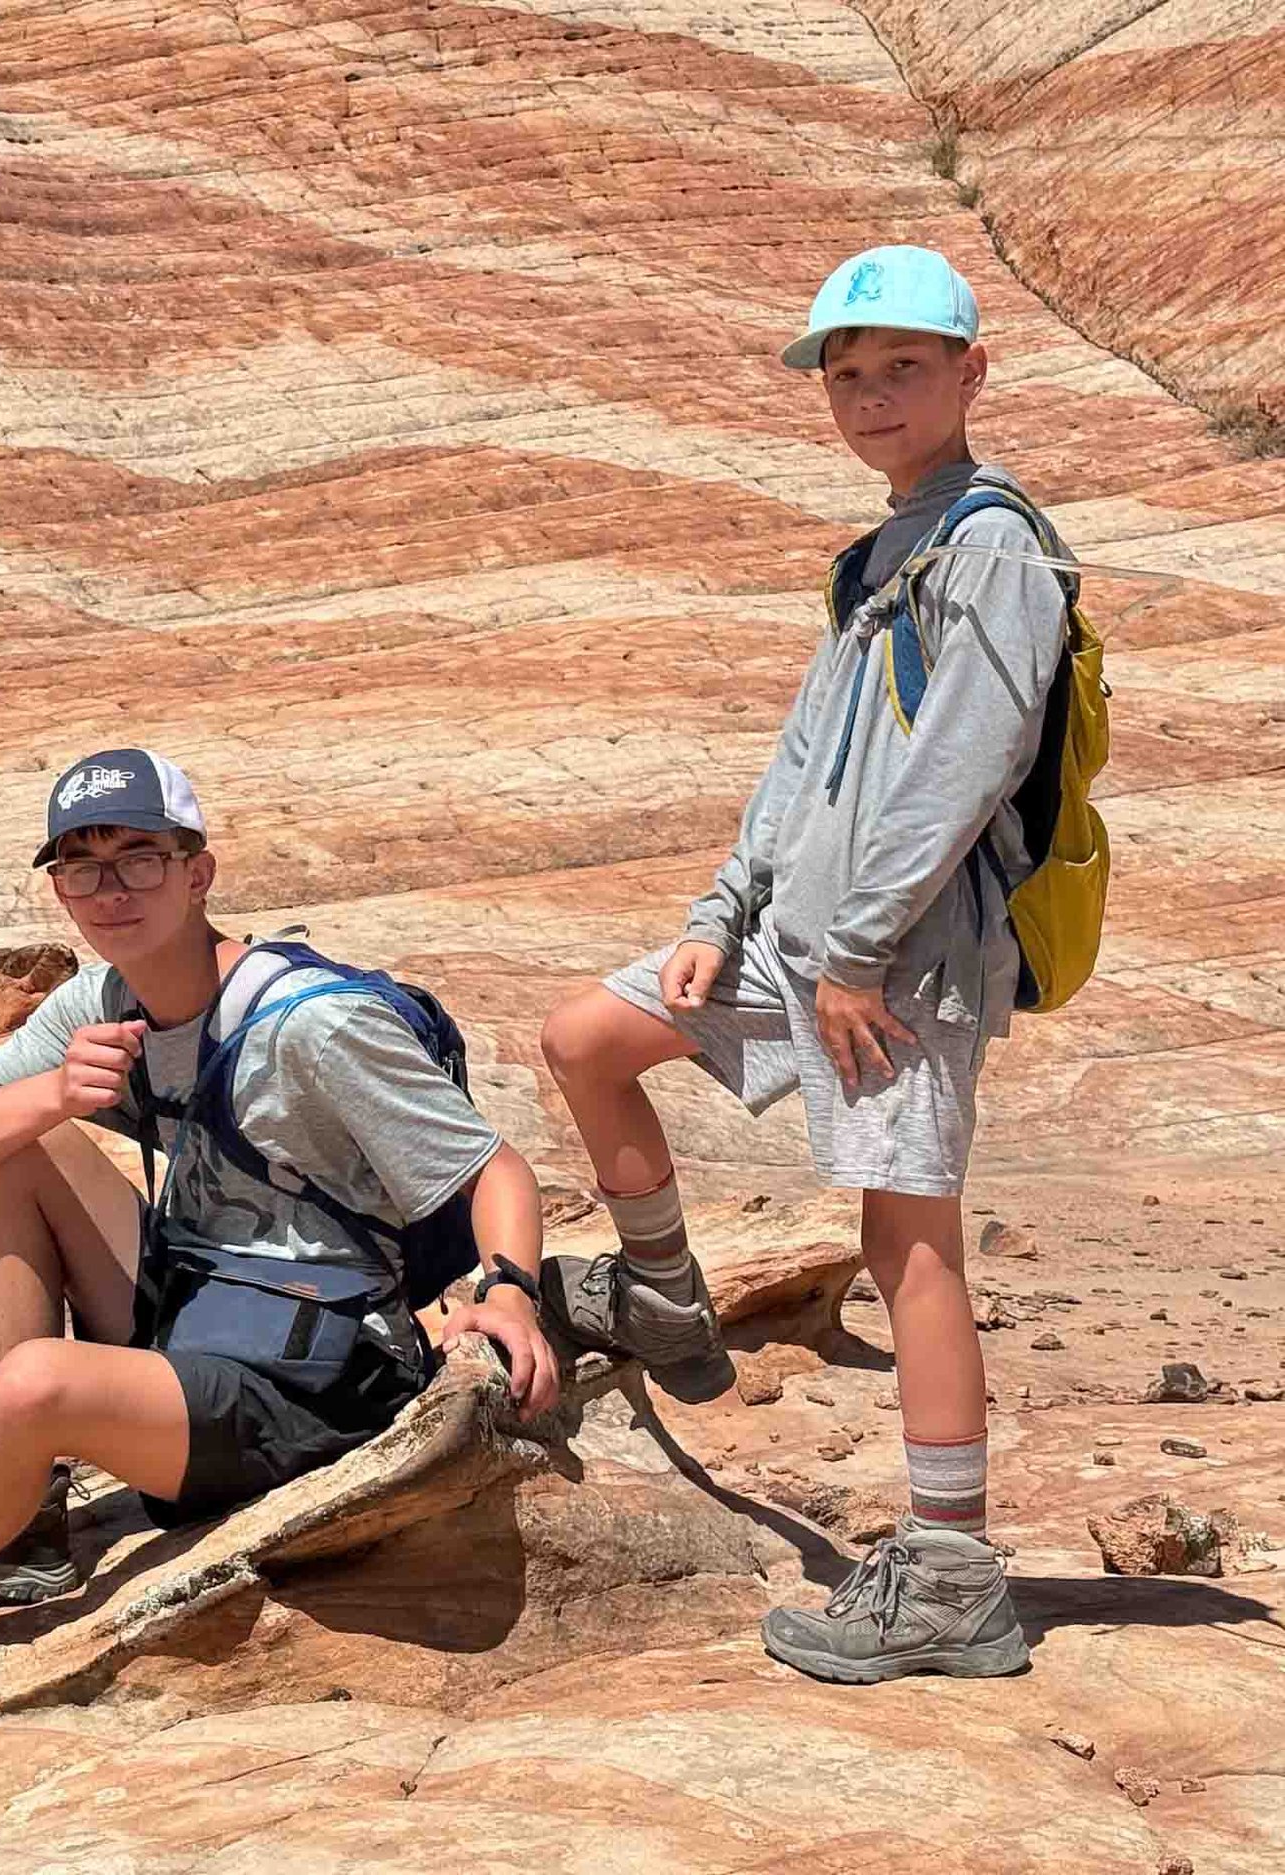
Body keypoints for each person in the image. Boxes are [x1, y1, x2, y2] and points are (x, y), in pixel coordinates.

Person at [0, 749, 558, 1688]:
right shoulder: (102, 1001)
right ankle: (22, 1516)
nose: (109, 889)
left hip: (315, 1382)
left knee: (30, 1385)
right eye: (80, 865)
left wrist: (510, 1295)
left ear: (197, 871)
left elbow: (491, 1165)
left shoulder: (313, 1025)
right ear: (58, 890)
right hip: (201, 1307)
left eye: (138, 856)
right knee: (10, 1144)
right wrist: (53, 1092)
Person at [536, 245, 1071, 1682]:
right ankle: (660, 1291)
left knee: (909, 1242)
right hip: (798, 941)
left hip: (894, 965)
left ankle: (954, 1576)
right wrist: (722, 911)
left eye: (903, 367)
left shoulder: (997, 544)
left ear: (973, 371)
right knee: (585, 1036)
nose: (873, 396)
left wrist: (855, 946)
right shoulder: (885, 546)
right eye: (847, 375)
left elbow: (966, 760)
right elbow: (807, 760)